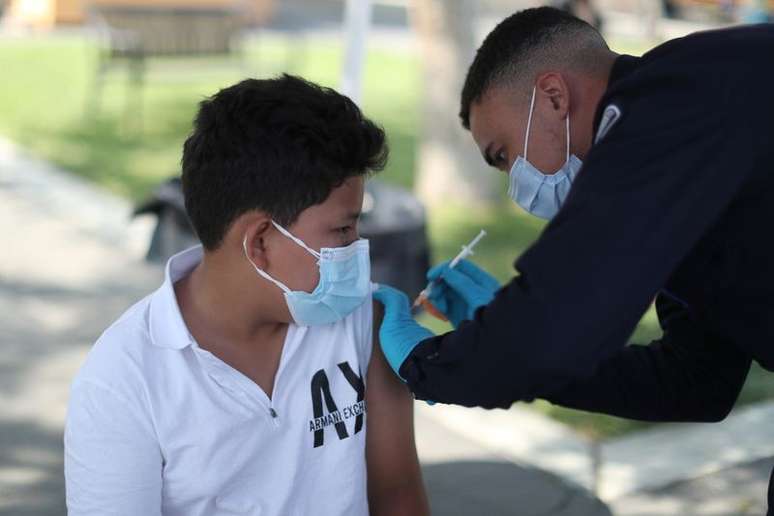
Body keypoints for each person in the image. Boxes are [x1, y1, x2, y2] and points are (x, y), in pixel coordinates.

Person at [373, 6, 774, 510]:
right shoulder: (681, 150)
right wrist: (505, 335)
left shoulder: (669, 103)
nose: (513, 180)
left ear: (554, 97)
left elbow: (560, 327)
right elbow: (695, 382)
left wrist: (427, 362)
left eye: (502, 155)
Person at [64, 75, 429, 516]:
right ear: (258, 241)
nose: (358, 248)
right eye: (342, 229)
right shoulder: (124, 377)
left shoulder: (362, 321)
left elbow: (396, 492)